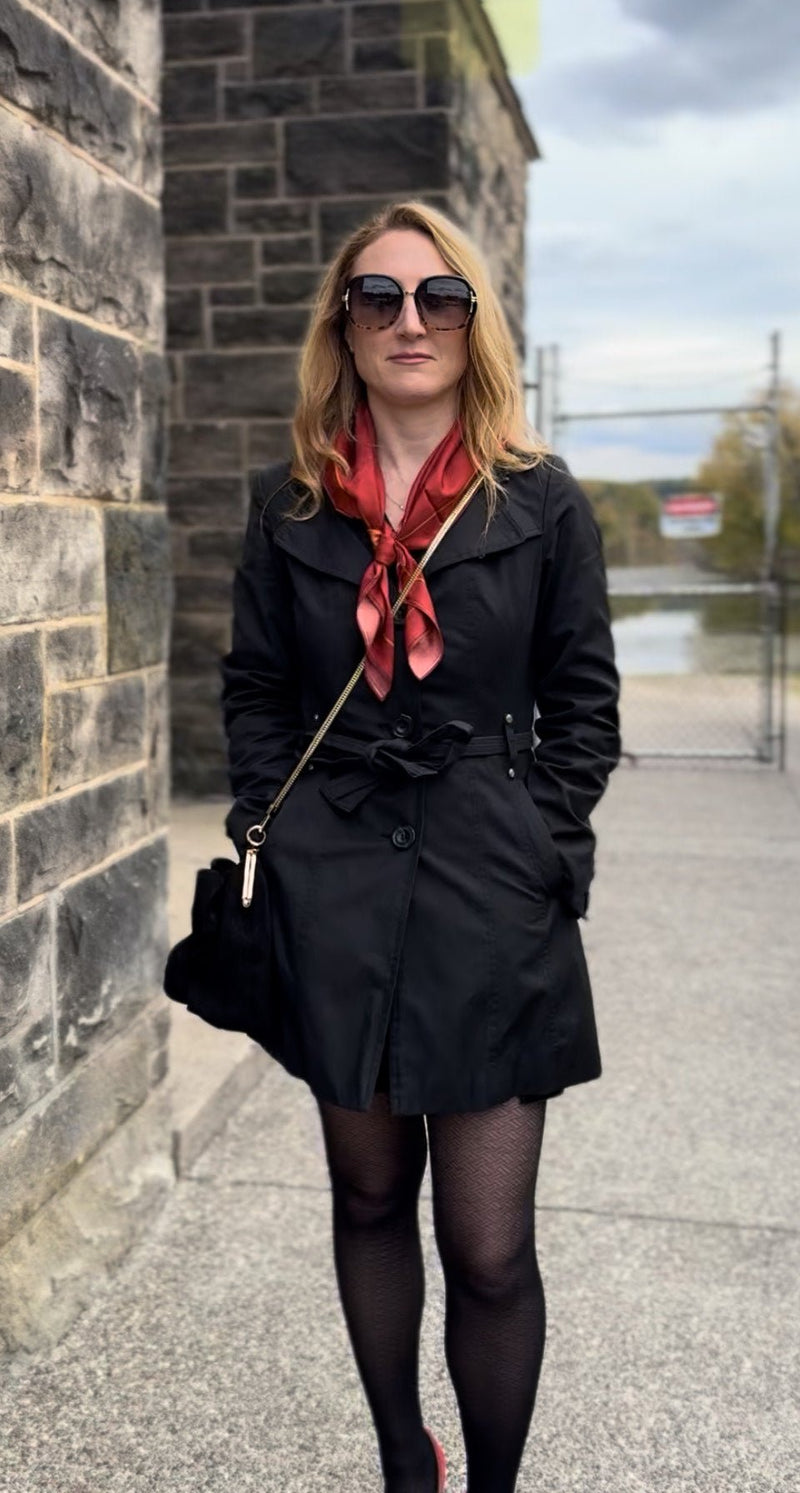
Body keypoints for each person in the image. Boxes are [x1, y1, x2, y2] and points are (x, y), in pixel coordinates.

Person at [220, 200, 621, 1493]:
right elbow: (256, 689)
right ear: (344, 323)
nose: (410, 320)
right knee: (369, 1202)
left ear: (472, 323)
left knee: (491, 1243)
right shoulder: (288, 509)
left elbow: (586, 703)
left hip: (494, 895)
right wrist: (283, 837)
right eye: (380, 297)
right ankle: (406, 1458)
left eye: (438, 297)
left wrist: (543, 846)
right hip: (341, 894)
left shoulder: (544, 503)